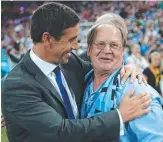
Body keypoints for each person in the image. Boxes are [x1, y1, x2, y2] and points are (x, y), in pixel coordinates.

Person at [2, 2, 150, 142]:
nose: (76, 45)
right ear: (48, 39)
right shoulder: (18, 85)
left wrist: (128, 66)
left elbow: (101, 69)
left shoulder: (69, 61)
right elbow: (62, 132)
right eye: (71, 39)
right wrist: (120, 116)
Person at [81, 13, 163, 142]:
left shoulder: (136, 91)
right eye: (100, 44)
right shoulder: (83, 80)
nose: (107, 50)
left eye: (114, 45)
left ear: (122, 51)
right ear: (89, 49)